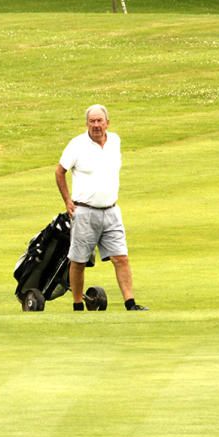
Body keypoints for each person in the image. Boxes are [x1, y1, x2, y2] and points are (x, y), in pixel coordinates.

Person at [55, 104, 147, 312]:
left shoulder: (115, 141)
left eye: (100, 121)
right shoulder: (77, 144)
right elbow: (60, 172)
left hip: (111, 210)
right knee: (78, 260)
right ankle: (78, 304)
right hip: (85, 211)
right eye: (92, 121)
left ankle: (130, 303)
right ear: (87, 123)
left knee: (121, 257)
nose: (96, 125)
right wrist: (68, 201)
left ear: (107, 123)